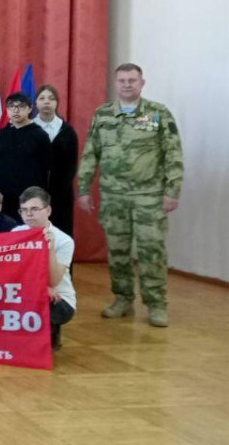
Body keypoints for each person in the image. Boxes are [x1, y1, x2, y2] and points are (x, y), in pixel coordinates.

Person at [78, 63, 183, 327]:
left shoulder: (158, 113)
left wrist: (172, 190)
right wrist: (83, 188)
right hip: (113, 196)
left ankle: (156, 304)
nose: (127, 85)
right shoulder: (103, 114)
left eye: (132, 80)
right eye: (122, 80)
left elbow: (173, 153)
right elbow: (91, 153)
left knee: (151, 250)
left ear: (141, 83)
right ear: (116, 83)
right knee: (117, 251)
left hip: (149, 195)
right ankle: (122, 298)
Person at [14, 187, 76, 350]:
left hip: (59, 300)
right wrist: (41, 288)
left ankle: (50, 332)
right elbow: (12, 273)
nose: (28, 214)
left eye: (34, 209)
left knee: (41, 301)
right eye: (24, 210)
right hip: (30, 292)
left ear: (48, 210)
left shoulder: (64, 241)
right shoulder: (15, 233)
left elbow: (54, 281)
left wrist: (49, 249)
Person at [0, 92, 51, 218]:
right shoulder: (0, 135)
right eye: (11, 106)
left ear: (30, 109)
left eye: (21, 106)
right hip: (3, 196)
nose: (16, 110)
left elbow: (46, 168)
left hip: (29, 197)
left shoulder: (40, 135)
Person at [34, 85, 80, 238]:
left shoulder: (67, 131)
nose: (46, 102)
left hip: (61, 193)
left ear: (57, 103)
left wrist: (60, 187)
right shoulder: (29, 129)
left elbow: (72, 164)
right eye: (42, 98)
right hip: (34, 192)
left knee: (61, 232)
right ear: (35, 103)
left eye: (51, 98)